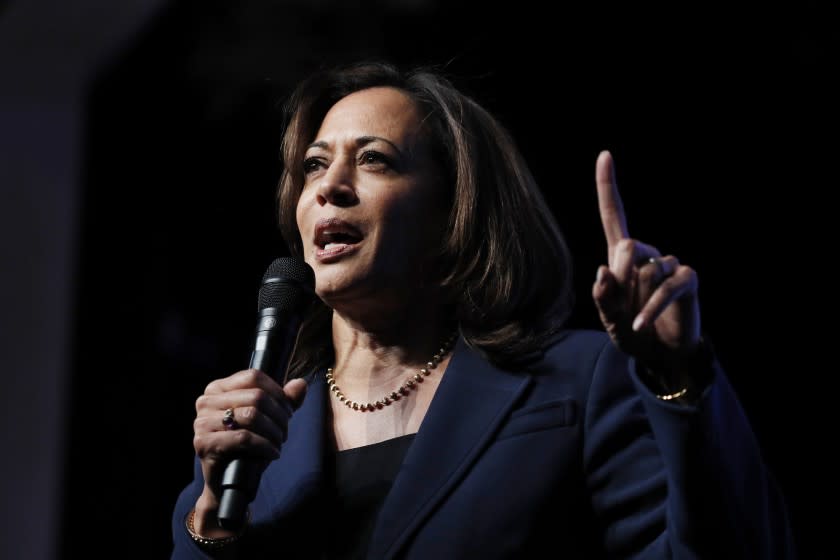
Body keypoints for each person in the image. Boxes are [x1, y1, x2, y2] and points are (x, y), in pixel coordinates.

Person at [171, 61, 796, 559]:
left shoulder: (576, 383)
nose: (330, 185)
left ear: (453, 212)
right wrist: (211, 524)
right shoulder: (254, 431)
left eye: (374, 160)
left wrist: (678, 378)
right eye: (314, 165)